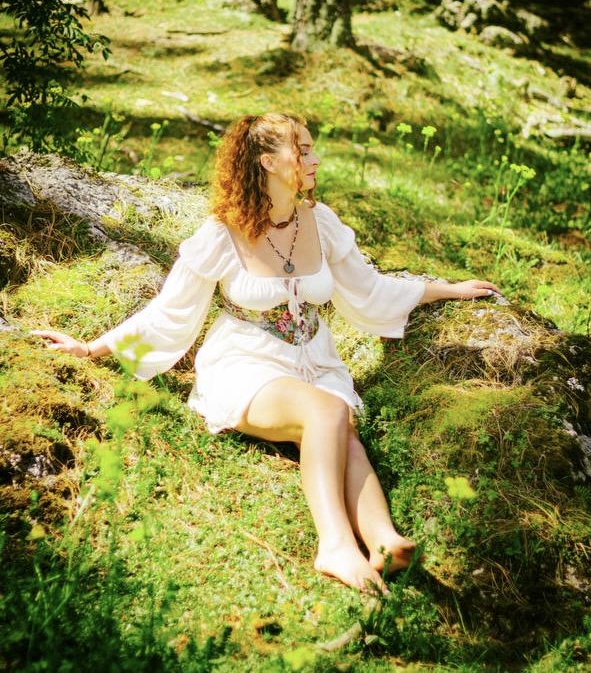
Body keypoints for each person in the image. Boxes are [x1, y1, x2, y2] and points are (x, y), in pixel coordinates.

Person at [33, 113, 500, 594]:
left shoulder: (321, 222)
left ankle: (383, 538)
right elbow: (169, 312)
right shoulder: (222, 233)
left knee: (340, 424)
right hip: (245, 364)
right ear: (267, 161)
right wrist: (91, 348)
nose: (315, 160)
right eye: (303, 150)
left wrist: (448, 289)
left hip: (316, 362)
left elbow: (371, 288)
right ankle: (335, 545)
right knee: (327, 411)